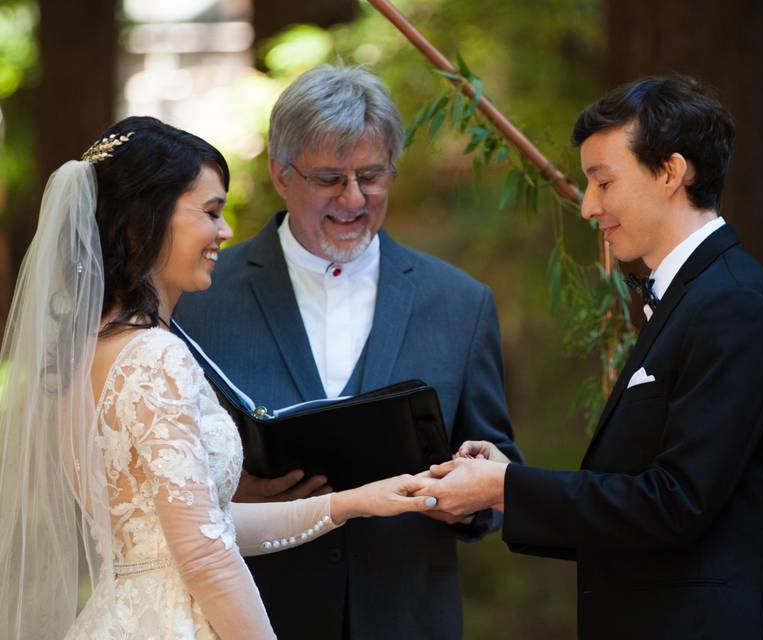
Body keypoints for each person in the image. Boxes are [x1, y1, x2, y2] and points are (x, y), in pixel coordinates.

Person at [0, 115, 441, 640]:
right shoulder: (154, 357)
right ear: (149, 218)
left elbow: (202, 528)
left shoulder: (86, 351)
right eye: (211, 212)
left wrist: (355, 501)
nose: (225, 232)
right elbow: (205, 556)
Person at [421, 75, 763, 640]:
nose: (587, 207)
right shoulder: (697, 298)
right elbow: (638, 493)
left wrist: (502, 487)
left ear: (672, 173)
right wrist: (506, 482)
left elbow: (676, 503)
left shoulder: (734, 305)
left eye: (603, 182)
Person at [174, 65, 522, 639]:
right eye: (331, 178)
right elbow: (151, 471)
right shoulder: (198, 299)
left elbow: (498, 466)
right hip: (254, 616)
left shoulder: (461, 303)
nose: (354, 198)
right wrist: (230, 489)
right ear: (281, 175)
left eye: (371, 175)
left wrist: (472, 498)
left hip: (407, 617)